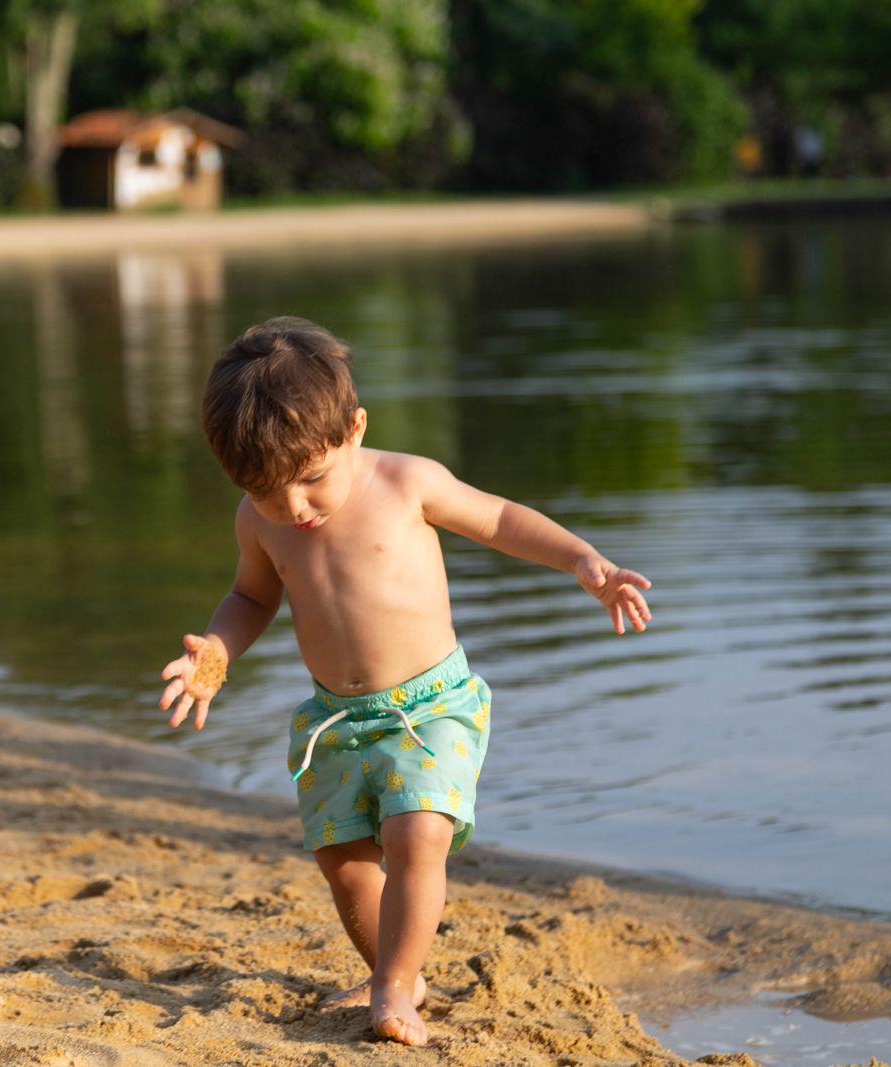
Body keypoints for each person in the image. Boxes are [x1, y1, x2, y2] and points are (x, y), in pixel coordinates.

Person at [156, 317, 653, 1047]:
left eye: (311, 479)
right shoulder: (258, 522)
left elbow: (499, 518)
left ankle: (391, 991)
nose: (293, 507)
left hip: (431, 707)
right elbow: (252, 599)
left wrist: (584, 561)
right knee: (343, 859)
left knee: (417, 832)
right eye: (265, 490)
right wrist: (216, 655)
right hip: (337, 718)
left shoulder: (406, 482)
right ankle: (401, 971)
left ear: (354, 430)